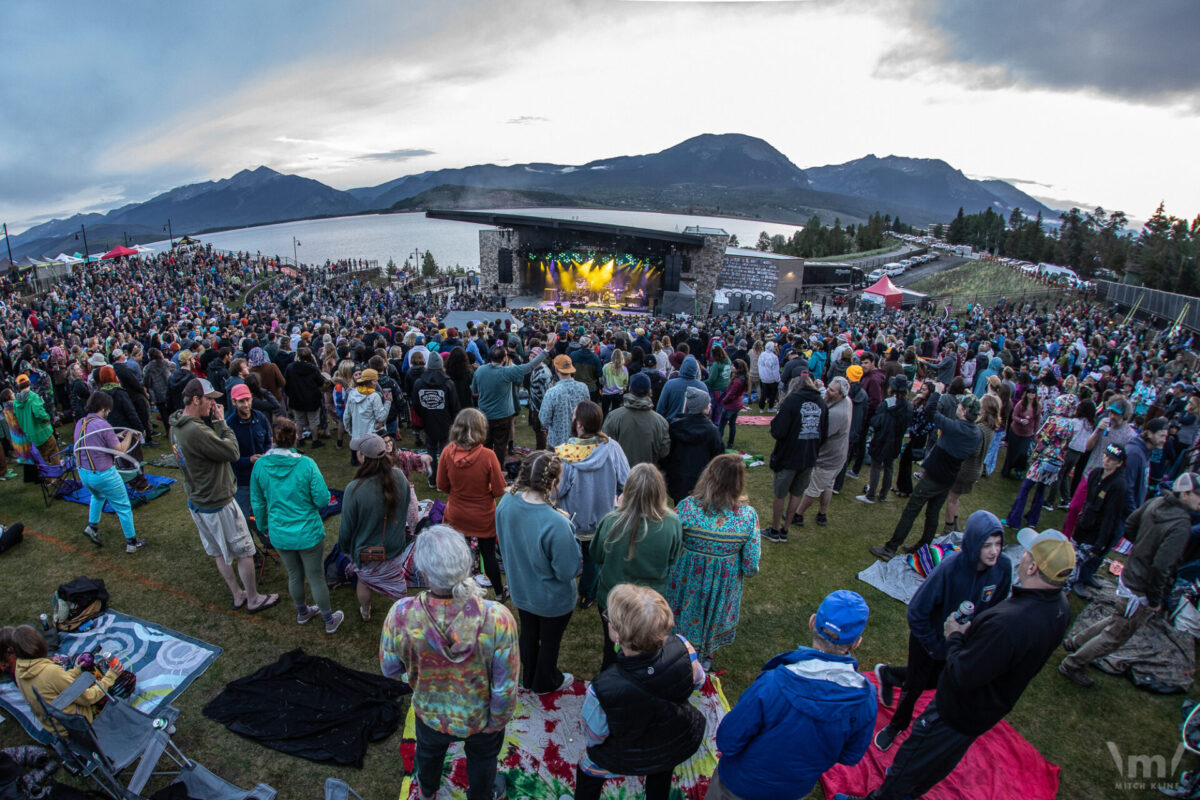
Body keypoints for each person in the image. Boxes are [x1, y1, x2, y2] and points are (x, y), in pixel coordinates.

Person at [835, 528, 1074, 800]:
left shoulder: (1010, 622)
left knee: (909, 764)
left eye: (1026, 553)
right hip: (986, 708)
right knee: (934, 765)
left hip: (956, 710)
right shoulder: (1060, 608)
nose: (1000, 553)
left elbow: (962, 674)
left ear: (1031, 566)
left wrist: (955, 637)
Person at [379, 526, 518, 800]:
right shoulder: (498, 619)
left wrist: (422, 676)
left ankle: (427, 790)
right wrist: (497, 721)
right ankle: (480, 795)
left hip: (430, 714)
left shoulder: (401, 614)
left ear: (424, 572)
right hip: (481, 718)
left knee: (428, 753)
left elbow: (390, 670)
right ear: (467, 564)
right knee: (483, 759)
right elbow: (505, 685)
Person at [709, 591, 875, 800]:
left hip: (738, 785)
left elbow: (728, 739)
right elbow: (850, 755)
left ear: (812, 622)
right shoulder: (865, 698)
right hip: (792, 790)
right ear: (856, 642)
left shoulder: (773, 684)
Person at [871, 511, 1011, 752]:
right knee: (914, 686)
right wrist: (935, 646)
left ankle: (889, 674)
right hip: (930, 640)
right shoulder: (950, 568)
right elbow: (917, 611)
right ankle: (897, 725)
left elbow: (997, 607)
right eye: (987, 545)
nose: (994, 551)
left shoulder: (1003, 568)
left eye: (998, 544)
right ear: (973, 543)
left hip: (961, 643)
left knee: (936, 682)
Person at [1059, 472, 1200, 687]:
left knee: (1119, 617)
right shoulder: (1180, 525)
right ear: (1186, 493)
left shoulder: (1157, 501)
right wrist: (1155, 599)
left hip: (1131, 574)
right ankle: (1073, 664)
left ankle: (1075, 642)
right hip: (1141, 588)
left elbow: (1131, 524)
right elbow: (1162, 567)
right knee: (1117, 634)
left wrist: (1142, 548)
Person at [575, 584, 705, 800]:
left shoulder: (601, 689)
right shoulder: (684, 647)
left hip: (625, 755)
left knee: (587, 768)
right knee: (662, 767)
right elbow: (699, 680)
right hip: (675, 740)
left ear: (617, 634)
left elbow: (594, 736)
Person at [170, 378, 279, 613]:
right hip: (217, 500)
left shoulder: (176, 425)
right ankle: (253, 597)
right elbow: (231, 451)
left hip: (198, 499)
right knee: (245, 550)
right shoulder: (196, 429)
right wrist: (221, 423)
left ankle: (237, 594)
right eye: (209, 399)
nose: (213, 404)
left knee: (219, 552)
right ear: (196, 399)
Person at [494, 450, 580, 694]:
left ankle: (529, 677)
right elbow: (568, 571)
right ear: (552, 482)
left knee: (529, 634)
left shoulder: (506, 503)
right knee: (549, 642)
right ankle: (545, 681)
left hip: (522, 591)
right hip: (553, 600)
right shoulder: (558, 524)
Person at [666, 454, 760, 667]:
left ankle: (676, 653)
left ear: (708, 476)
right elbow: (751, 565)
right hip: (722, 585)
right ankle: (705, 658)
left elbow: (668, 543)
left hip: (686, 580)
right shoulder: (747, 516)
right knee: (711, 618)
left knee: (681, 619)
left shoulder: (687, 507)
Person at [250, 417, 342, 632]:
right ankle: (328, 620)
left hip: (280, 532)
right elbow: (321, 499)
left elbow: (258, 502)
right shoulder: (306, 464)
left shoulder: (261, 465)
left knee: (294, 573)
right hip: (307, 532)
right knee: (315, 575)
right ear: (296, 437)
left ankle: (303, 612)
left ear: (273, 439)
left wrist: (264, 527)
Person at [869, 393, 982, 562]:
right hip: (949, 477)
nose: (957, 408)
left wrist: (936, 392)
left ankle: (890, 548)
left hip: (935, 475)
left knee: (911, 510)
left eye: (960, 406)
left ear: (964, 411)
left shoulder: (955, 427)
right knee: (933, 513)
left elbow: (930, 412)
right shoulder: (976, 433)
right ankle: (924, 547)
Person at [591, 463, 683, 668]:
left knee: (613, 647)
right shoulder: (672, 523)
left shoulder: (611, 521)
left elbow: (596, 555)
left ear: (628, 490)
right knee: (647, 652)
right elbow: (672, 558)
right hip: (651, 603)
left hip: (614, 600)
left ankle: (610, 686)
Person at [555, 401, 631, 609]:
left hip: (571, 521)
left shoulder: (566, 455)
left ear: (579, 425)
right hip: (603, 520)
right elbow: (627, 481)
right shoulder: (612, 447)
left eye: (573, 416)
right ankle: (587, 594)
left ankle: (570, 592)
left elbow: (557, 491)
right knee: (593, 559)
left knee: (568, 557)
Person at [338, 433, 413, 621]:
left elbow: (346, 528)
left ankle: (365, 612)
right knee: (397, 584)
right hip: (394, 548)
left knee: (363, 581)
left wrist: (346, 549)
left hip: (365, 551)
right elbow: (405, 509)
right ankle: (403, 615)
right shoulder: (400, 477)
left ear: (363, 457)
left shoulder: (354, 489)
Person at [437, 408, 508, 598]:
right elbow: (500, 490)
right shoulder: (488, 456)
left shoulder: (447, 453)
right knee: (488, 555)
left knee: (460, 557)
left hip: (457, 514)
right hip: (483, 516)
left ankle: (460, 592)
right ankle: (500, 593)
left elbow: (441, 484)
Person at [4, 625, 122, 730]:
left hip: (55, 726)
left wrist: (76, 670)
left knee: (88, 676)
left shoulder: (19, 670)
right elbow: (89, 698)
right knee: (124, 682)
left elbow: (57, 684)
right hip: (79, 726)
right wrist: (111, 676)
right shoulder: (50, 671)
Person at [73, 391, 144, 552]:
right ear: (104, 408)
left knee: (97, 496)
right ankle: (132, 542)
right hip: (104, 474)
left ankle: (92, 526)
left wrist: (116, 435)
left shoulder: (81, 422)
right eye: (108, 409)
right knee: (123, 507)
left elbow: (94, 440)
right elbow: (120, 451)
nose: (109, 412)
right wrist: (130, 435)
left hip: (84, 473)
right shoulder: (103, 425)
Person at [472, 337, 555, 466]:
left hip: (485, 414)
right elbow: (530, 366)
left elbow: (474, 390)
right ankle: (497, 470)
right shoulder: (507, 371)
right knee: (500, 446)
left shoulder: (480, 371)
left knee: (486, 444)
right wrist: (546, 350)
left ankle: (485, 469)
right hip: (502, 416)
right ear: (504, 359)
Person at [764, 375, 827, 542]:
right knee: (796, 494)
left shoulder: (791, 401)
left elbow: (778, 431)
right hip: (809, 456)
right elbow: (824, 433)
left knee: (780, 494)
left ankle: (775, 529)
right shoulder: (821, 402)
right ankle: (785, 530)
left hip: (788, 456)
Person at [1004, 393, 1079, 530]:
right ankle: (1032, 520)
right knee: (1041, 490)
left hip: (1043, 460)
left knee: (1025, 489)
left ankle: (1014, 520)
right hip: (1055, 463)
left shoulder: (1053, 420)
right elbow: (1066, 446)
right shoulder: (1070, 425)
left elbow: (1041, 439)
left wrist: (1034, 456)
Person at [1068, 443, 1130, 592]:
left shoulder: (1119, 485)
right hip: (1083, 525)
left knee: (1074, 564)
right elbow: (1088, 501)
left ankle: (1066, 589)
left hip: (1095, 533)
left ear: (1120, 463)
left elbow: (1111, 516)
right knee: (1069, 557)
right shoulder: (1095, 473)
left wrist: (1100, 543)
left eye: (1112, 458)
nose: (1107, 460)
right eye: (1106, 455)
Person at [793, 376, 851, 527]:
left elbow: (820, 435)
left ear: (840, 394)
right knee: (828, 485)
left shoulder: (837, 414)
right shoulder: (846, 401)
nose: (828, 391)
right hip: (839, 455)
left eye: (831, 390)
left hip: (828, 458)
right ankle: (822, 514)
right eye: (829, 387)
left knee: (813, 488)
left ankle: (797, 514)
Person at [942, 393, 1001, 533]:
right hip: (975, 469)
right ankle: (954, 526)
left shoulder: (980, 429)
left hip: (966, 469)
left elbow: (974, 450)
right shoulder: (990, 428)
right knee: (955, 497)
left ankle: (948, 529)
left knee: (951, 498)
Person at [225, 383, 273, 537]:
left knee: (267, 510)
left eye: (247, 400)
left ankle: (268, 539)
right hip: (243, 481)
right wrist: (249, 460)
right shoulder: (229, 426)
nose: (246, 404)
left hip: (263, 476)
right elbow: (229, 457)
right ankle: (251, 550)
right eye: (241, 401)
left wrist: (266, 454)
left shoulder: (260, 418)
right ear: (233, 402)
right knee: (245, 517)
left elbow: (267, 441)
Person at [856, 375, 911, 505]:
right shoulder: (908, 406)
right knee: (889, 466)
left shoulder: (887, 403)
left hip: (882, 439)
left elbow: (876, 421)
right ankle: (883, 494)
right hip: (896, 440)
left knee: (876, 466)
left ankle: (870, 495)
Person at [663, 386, 724, 503]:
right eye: (708, 403)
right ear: (702, 407)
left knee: (680, 509)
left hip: (678, 479)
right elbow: (718, 458)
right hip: (701, 480)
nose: (710, 405)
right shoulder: (712, 431)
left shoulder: (675, 426)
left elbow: (666, 453)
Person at [600, 372, 670, 468]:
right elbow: (664, 452)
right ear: (650, 391)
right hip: (647, 476)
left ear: (630, 389)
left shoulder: (614, 417)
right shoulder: (661, 422)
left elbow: (604, 447)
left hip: (620, 476)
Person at [413, 351, 460, 483]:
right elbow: (454, 405)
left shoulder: (419, 383)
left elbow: (416, 404)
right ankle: (441, 479)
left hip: (429, 420)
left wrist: (424, 414)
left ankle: (433, 479)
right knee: (445, 452)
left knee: (431, 450)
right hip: (445, 421)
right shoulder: (447, 383)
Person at [540, 354, 592, 449]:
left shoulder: (552, 392)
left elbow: (544, 420)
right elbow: (588, 413)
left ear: (556, 370)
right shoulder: (583, 388)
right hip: (578, 441)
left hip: (557, 444)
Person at [345, 368, 392, 465]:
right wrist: (388, 402)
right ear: (368, 382)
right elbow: (381, 417)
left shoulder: (352, 393)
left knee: (360, 468)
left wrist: (351, 431)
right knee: (372, 466)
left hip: (357, 437)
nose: (376, 383)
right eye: (375, 381)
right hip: (371, 438)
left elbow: (346, 416)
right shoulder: (374, 396)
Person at [284, 347, 327, 447]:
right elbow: (320, 382)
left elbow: (286, 383)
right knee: (313, 421)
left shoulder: (290, 368)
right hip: (311, 398)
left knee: (299, 420)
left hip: (297, 397)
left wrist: (289, 394)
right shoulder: (313, 368)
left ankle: (300, 439)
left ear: (298, 356)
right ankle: (314, 440)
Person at [13, 374, 58, 465]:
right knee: (53, 454)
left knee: (41, 459)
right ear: (29, 383)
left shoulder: (15, 402)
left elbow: (17, 419)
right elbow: (39, 414)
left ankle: (47, 478)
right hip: (43, 432)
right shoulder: (33, 397)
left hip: (30, 435)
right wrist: (47, 418)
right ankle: (57, 476)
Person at [656, 355, 707, 422]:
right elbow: (707, 411)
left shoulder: (670, 384)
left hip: (672, 426)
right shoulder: (702, 386)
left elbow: (660, 409)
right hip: (692, 428)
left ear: (682, 367)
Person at [717, 359, 749, 448]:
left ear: (738, 368)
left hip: (730, 406)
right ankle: (730, 443)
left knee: (722, 425)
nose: (731, 367)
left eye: (733, 366)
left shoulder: (737, 381)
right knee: (732, 424)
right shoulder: (742, 378)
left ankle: (718, 442)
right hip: (737, 405)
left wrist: (723, 401)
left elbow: (731, 394)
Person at [599, 348, 629, 416]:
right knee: (615, 412)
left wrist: (602, 384)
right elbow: (626, 382)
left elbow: (602, 380)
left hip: (607, 392)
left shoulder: (606, 367)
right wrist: (623, 389)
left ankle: (604, 423)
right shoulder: (624, 369)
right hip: (618, 393)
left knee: (604, 411)